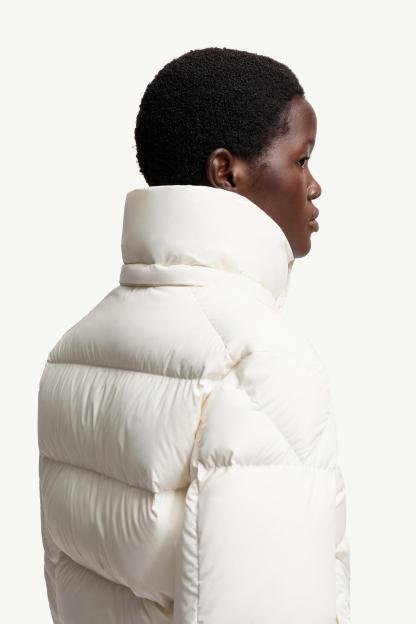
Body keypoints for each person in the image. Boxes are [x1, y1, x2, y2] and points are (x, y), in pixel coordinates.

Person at [38, 47, 351, 624]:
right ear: (226, 172)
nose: (314, 186)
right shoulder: (260, 362)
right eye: (302, 159)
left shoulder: (75, 350)